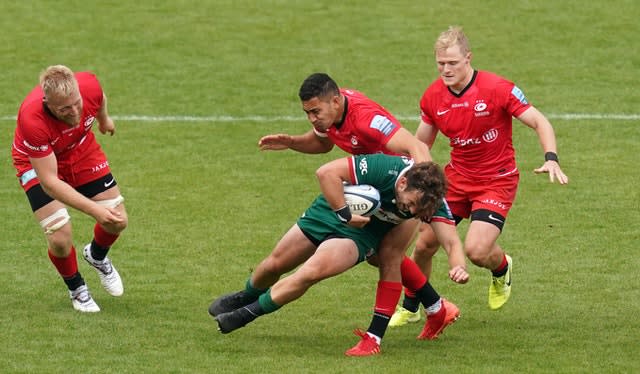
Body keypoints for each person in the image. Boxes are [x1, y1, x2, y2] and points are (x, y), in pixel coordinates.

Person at [256, 73, 466, 352]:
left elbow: (417, 146)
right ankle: (437, 307)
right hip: (373, 188)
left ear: (335, 100)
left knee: (388, 255)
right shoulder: (330, 112)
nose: (312, 118)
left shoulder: (367, 119)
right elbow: (323, 143)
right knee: (380, 256)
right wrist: (293, 142)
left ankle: (377, 337)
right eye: (308, 113)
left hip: (401, 189)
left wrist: (422, 184)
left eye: (315, 112)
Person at [390, 26, 570, 326]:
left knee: (476, 250)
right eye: (440, 63)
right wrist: (402, 174)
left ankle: (501, 269)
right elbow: (421, 145)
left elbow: (539, 121)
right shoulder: (433, 97)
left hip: (496, 181)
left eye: (452, 63)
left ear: (468, 58)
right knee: (423, 245)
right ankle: (411, 305)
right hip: (456, 181)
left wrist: (551, 158)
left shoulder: (497, 88)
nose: (446, 69)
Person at [209, 154, 469, 356]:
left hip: (361, 235)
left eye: (417, 210)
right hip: (332, 209)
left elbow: (452, 243)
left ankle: (246, 315)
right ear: (402, 183)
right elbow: (326, 172)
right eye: (410, 204)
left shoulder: (430, 203)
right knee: (275, 263)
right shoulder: (385, 168)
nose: (412, 212)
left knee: (311, 272)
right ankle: (247, 295)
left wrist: (459, 267)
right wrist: (344, 212)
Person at [11, 65, 128, 313]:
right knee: (59, 236)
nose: (74, 111)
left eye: (76, 103)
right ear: (48, 103)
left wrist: (104, 119)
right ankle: (77, 288)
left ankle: (96, 256)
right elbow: (51, 183)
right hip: (37, 161)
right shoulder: (32, 120)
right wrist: (94, 210)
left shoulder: (89, 86)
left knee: (117, 221)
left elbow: (100, 98)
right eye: (64, 108)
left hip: (79, 148)